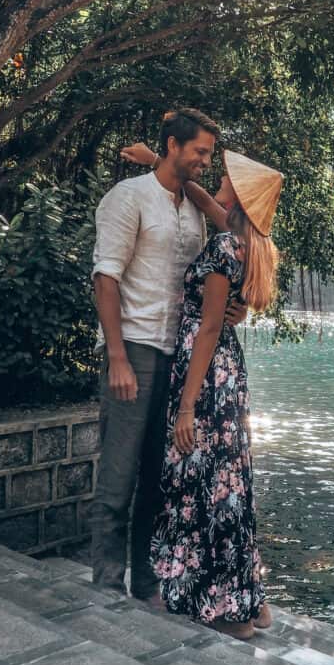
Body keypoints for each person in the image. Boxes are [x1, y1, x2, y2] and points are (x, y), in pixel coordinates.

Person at [125, 145, 282, 638]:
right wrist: (159, 159)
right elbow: (201, 196)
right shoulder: (246, 241)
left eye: (229, 179)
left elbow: (210, 327)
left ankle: (227, 613)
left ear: (239, 196)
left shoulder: (221, 249)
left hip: (207, 377)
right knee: (230, 484)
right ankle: (250, 604)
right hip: (229, 376)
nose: (220, 179)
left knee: (205, 487)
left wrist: (187, 406)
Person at [90, 109, 246, 600]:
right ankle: (106, 588)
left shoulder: (194, 210)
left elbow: (238, 242)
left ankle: (146, 585)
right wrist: (116, 356)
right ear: (173, 145)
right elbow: (105, 278)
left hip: (178, 360)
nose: (204, 160)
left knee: (160, 481)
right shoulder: (128, 197)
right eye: (199, 151)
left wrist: (229, 310)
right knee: (118, 478)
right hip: (134, 349)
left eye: (208, 153)